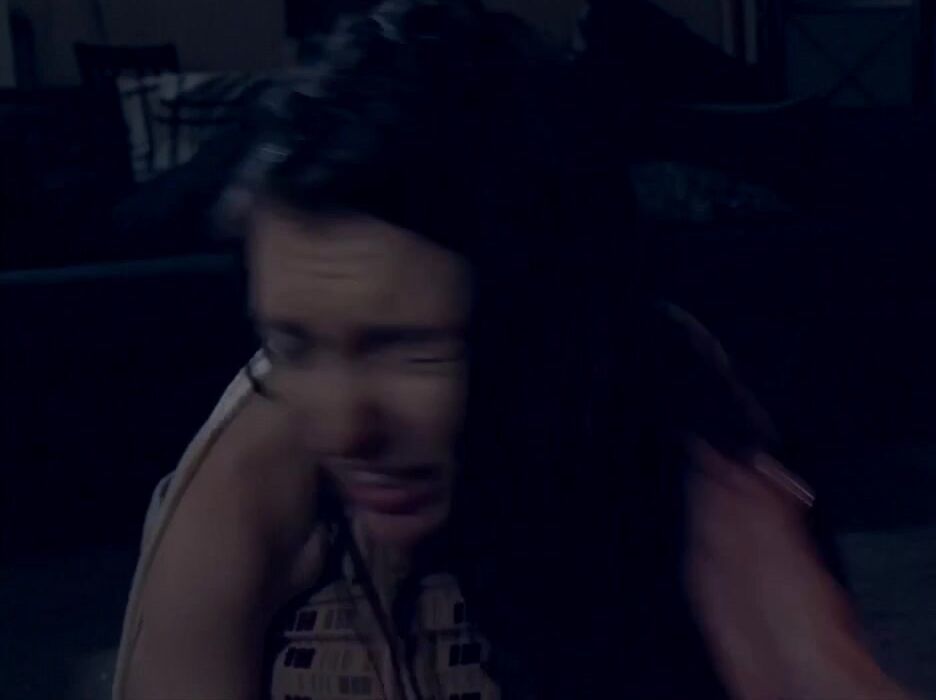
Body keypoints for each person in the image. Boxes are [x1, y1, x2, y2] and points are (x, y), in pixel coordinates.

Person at [114, 2, 917, 699]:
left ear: (540, 317)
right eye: (291, 342)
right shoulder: (248, 472)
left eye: (410, 347)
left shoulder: (658, 394)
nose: (340, 425)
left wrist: (811, 659)